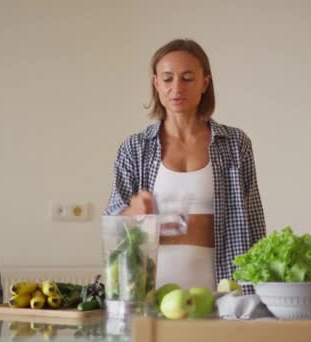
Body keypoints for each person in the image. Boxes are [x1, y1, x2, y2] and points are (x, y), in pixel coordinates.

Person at [103, 38, 266, 294]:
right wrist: (132, 214)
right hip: (150, 293)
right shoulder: (134, 148)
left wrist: (261, 293)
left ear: (205, 83)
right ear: (156, 83)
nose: (176, 87)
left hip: (227, 294)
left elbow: (254, 222)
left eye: (188, 78)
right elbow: (114, 227)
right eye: (167, 79)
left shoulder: (235, 144)